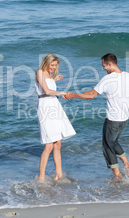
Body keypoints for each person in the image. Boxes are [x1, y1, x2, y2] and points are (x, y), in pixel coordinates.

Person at [64, 53, 129, 180]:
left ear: (110, 64)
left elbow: (91, 95)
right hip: (124, 119)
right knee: (113, 142)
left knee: (107, 146)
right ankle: (127, 165)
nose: (103, 69)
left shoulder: (107, 79)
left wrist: (73, 95)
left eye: (104, 66)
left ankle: (117, 175)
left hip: (112, 120)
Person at [35, 53, 76, 181]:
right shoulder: (39, 72)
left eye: (55, 65)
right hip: (45, 107)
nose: (53, 67)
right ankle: (41, 177)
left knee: (57, 143)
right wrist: (62, 92)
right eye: (52, 65)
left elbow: (48, 86)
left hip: (54, 106)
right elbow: (46, 91)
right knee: (49, 145)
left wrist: (54, 80)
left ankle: (59, 174)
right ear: (46, 62)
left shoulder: (48, 75)